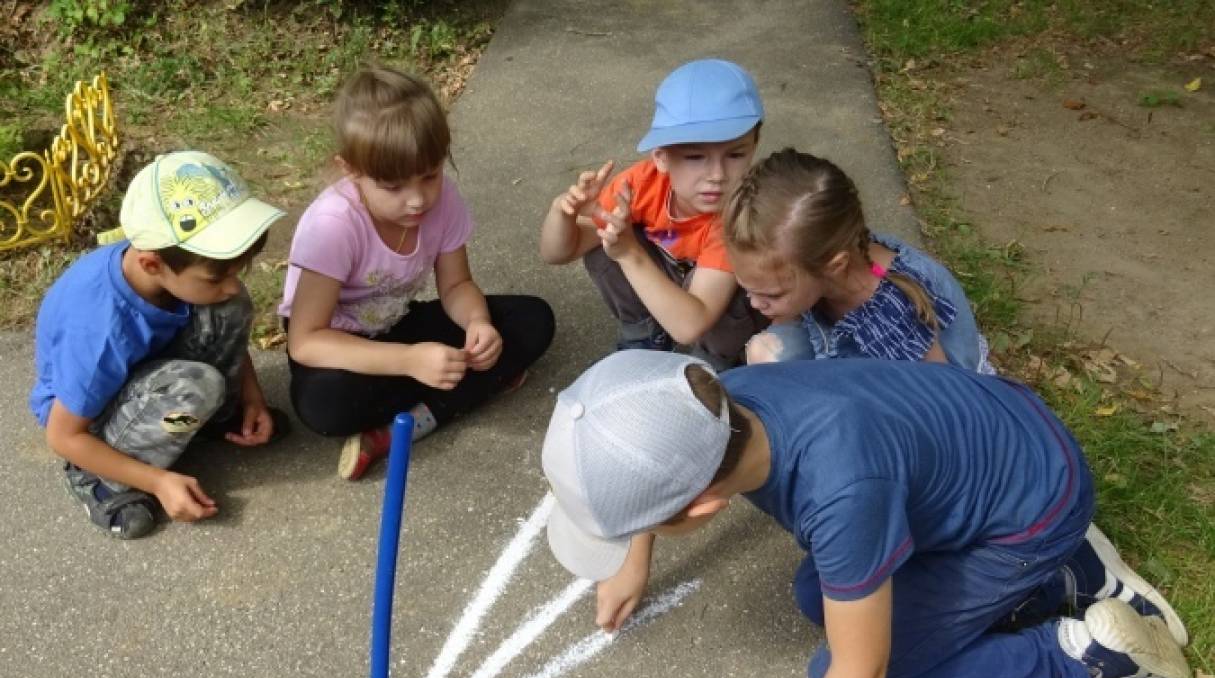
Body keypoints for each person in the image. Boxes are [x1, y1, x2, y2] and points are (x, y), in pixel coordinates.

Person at [540, 350, 1191, 678]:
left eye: (645, 525)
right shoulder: (721, 400)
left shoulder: (842, 491)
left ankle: (1075, 648)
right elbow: (664, 450)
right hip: (1007, 439)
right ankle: (1046, 570)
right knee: (814, 595)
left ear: (701, 507)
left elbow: (862, 669)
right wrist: (634, 556)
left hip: (1032, 509)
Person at [282, 66, 555, 480]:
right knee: (324, 405)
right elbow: (305, 342)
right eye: (393, 187)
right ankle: (463, 390)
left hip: (396, 322)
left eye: (429, 176)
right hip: (340, 347)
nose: (417, 200)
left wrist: (477, 323)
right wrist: (409, 360)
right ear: (350, 169)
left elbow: (457, 284)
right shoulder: (333, 225)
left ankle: (395, 431)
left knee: (533, 320)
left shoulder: (442, 201)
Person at [30, 150, 287, 540]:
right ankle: (99, 479)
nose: (232, 283)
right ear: (152, 265)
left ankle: (205, 417)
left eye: (237, 271)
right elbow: (63, 436)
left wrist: (252, 399)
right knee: (196, 387)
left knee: (229, 307)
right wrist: (157, 482)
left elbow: (223, 317)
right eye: (216, 276)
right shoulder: (100, 330)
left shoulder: (168, 269)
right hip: (92, 425)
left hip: (152, 376)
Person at [539, 58, 769, 371]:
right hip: (680, 287)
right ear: (660, 157)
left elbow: (691, 324)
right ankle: (645, 332)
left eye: (736, 154)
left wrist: (631, 253)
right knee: (605, 243)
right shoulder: (643, 183)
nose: (717, 174)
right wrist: (563, 212)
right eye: (695, 157)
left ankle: (719, 358)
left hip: (716, 312)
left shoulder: (740, 212)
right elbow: (557, 253)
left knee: (627, 248)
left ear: (754, 146)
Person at [723, 148, 993, 372]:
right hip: (861, 350)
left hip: (933, 386)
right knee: (767, 351)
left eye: (773, 294)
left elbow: (942, 399)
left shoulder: (891, 319)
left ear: (835, 265)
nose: (755, 303)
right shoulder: (827, 244)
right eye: (749, 289)